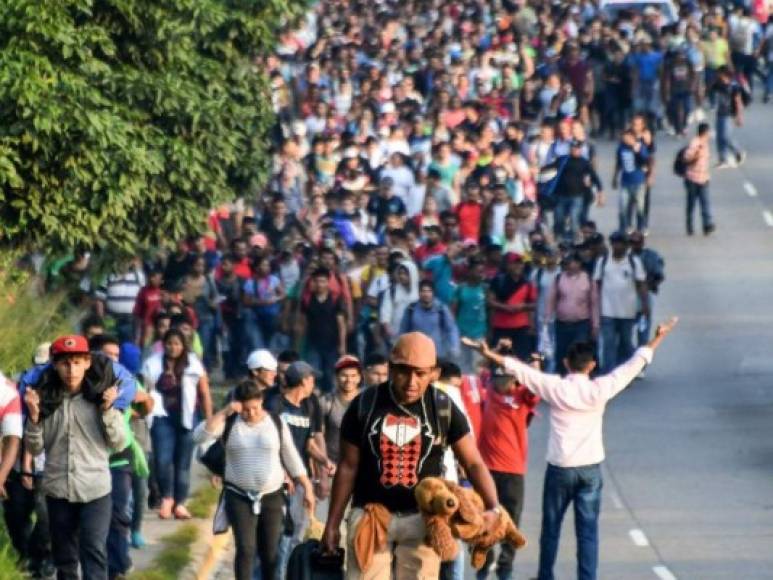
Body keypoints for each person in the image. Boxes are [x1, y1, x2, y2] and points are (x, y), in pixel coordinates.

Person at [465, 316, 679, 580]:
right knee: (587, 532)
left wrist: (489, 354)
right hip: (589, 471)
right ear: (591, 365)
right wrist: (658, 337)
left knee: (551, 528)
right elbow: (634, 365)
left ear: (566, 363)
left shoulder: (556, 388)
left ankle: (546, 576)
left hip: (560, 469)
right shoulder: (601, 388)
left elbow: (522, 371)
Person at [321, 332, 502, 579]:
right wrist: (332, 525)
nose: (411, 382)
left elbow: (472, 462)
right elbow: (348, 467)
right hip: (372, 516)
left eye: (420, 373)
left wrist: (493, 507)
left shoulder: (442, 407)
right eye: (403, 371)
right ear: (391, 367)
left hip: (423, 520)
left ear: (434, 373)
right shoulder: (364, 405)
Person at [24, 335, 128, 580]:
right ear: (55, 365)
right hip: (58, 490)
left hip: (95, 490)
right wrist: (34, 418)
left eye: (77, 363)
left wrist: (108, 411)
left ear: (87, 363)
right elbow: (35, 447)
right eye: (65, 363)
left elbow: (119, 442)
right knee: (65, 559)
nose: (71, 370)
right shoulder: (47, 401)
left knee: (93, 551)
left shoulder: (100, 398)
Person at [195, 380, 314, 580]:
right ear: (238, 405)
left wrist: (307, 488)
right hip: (238, 495)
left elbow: (291, 456)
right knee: (246, 549)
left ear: (262, 402)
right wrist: (225, 411)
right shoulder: (231, 422)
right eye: (246, 409)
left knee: (270, 553)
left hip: (271, 495)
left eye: (255, 408)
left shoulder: (275, 422)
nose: (251, 414)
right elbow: (199, 436)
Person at [475, 352, 541, 580]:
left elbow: (536, 385)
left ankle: (506, 566)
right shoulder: (489, 391)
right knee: (484, 519)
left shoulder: (524, 397)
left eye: (506, 381)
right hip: (486, 470)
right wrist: (496, 351)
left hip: (513, 471)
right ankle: (485, 563)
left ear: (515, 381)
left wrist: (535, 365)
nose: (501, 386)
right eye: (498, 381)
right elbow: (481, 367)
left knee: (511, 521)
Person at [266, 361, 334, 578]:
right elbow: (268, 442)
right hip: (276, 478)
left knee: (297, 530)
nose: (314, 382)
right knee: (278, 532)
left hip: (301, 477)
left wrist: (324, 461)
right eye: (312, 378)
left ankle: (289, 573)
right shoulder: (275, 405)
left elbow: (309, 443)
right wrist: (281, 471)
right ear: (304, 380)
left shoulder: (309, 406)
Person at [143, 328, 212, 519]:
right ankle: (167, 497)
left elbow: (204, 393)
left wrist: (209, 419)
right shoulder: (153, 364)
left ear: (183, 346)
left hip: (187, 418)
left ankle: (180, 503)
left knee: (183, 463)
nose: (173, 348)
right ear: (163, 344)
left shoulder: (193, 365)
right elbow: (145, 390)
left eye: (177, 344)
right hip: (161, 416)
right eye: (169, 343)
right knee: (162, 460)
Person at [594, 232, 649, 374]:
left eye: (621, 243)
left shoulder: (633, 261)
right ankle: (608, 373)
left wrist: (645, 305)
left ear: (626, 246)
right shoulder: (603, 261)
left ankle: (624, 374)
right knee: (608, 344)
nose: (618, 246)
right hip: (607, 311)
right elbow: (597, 284)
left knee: (625, 343)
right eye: (615, 243)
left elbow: (641, 283)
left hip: (627, 312)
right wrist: (595, 306)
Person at [546, 253, 598, 374]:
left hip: (581, 324)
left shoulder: (588, 280)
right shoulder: (559, 278)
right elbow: (552, 299)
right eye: (569, 262)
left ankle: (580, 377)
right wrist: (547, 318)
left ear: (580, 264)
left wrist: (595, 324)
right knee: (561, 353)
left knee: (579, 353)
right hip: (562, 323)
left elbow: (594, 304)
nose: (571, 265)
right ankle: (562, 378)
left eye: (574, 262)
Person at [298, 267, 347, 393]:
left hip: (331, 342)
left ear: (328, 282)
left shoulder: (336, 300)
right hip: (313, 341)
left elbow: (341, 324)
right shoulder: (307, 300)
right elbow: (303, 322)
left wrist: (342, 345)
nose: (320, 284)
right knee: (314, 371)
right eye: (318, 281)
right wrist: (299, 342)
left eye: (323, 281)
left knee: (329, 373)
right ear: (313, 282)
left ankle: (328, 399)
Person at [488, 253, 537, 360]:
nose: (518, 266)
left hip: (521, 329)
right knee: (499, 359)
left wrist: (523, 306)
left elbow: (534, 304)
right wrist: (505, 307)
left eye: (520, 263)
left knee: (521, 360)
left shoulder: (528, 283)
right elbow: (490, 301)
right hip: (501, 327)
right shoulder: (498, 281)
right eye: (514, 263)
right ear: (507, 265)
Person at [399, 281, 461, 360]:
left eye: (429, 291)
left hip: (437, 354)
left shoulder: (441, 309)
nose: (426, 294)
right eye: (423, 291)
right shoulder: (411, 309)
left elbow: (451, 329)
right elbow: (403, 330)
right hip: (416, 354)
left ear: (433, 293)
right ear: (419, 293)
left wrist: (454, 347)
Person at [629, 232, 665, 350]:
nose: (635, 245)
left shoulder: (652, 256)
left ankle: (640, 362)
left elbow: (659, 275)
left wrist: (646, 286)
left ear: (643, 242)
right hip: (627, 301)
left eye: (637, 242)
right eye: (632, 243)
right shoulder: (625, 258)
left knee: (643, 335)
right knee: (625, 337)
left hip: (645, 298)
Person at [612, 129, 649, 233]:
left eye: (628, 138)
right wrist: (615, 177)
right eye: (624, 138)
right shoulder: (621, 148)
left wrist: (637, 150)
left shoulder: (640, 147)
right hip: (625, 182)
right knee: (623, 206)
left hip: (639, 181)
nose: (626, 140)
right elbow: (618, 164)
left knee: (640, 207)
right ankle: (624, 227)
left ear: (633, 138)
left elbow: (645, 159)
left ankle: (641, 227)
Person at [683, 122, 716, 236]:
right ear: (704, 133)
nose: (709, 134)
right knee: (691, 203)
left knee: (705, 202)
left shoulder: (705, 143)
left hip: (704, 178)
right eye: (708, 132)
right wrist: (695, 156)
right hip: (692, 178)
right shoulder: (695, 143)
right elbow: (687, 158)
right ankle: (689, 226)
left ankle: (707, 225)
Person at [711, 66, 746, 168]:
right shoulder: (718, 85)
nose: (717, 75)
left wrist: (739, 116)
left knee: (725, 137)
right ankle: (722, 159)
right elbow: (709, 89)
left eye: (719, 73)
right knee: (719, 138)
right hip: (719, 113)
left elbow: (738, 101)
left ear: (725, 74)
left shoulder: (734, 86)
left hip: (728, 114)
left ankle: (738, 151)